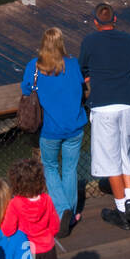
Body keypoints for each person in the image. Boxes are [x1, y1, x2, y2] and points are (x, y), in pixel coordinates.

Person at [79, 2, 130, 231]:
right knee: (128, 155)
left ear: (96, 22)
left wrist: (89, 79)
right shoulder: (127, 39)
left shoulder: (89, 41)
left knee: (111, 160)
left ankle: (121, 212)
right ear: (115, 19)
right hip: (127, 104)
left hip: (103, 107)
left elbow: (82, 68)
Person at [21, 27, 86, 236]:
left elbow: (25, 89)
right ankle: (72, 213)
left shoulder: (34, 66)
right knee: (69, 169)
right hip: (75, 127)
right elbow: (80, 84)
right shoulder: (73, 64)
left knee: (50, 167)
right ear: (61, 44)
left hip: (50, 130)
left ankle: (62, 210)